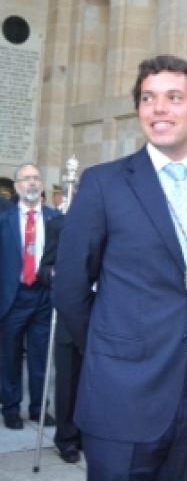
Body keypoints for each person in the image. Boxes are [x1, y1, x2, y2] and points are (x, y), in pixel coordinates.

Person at [52, 54, 187, 480]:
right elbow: (69, 287)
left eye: (173, 97)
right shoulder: (104, 184)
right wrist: (114, 349)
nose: (158, 108)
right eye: (148, 98)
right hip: (123, 394)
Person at [0, 163, 60, 429]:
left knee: (40, 356)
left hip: (44, 296)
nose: (32, 183)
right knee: (10, 356)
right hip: (12, 297)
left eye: (36, 178)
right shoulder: (4, 220)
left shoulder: (55, 219)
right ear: (17, 187)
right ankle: (10, 408)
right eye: (26, 179)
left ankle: (38, 408)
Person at [37, 214, 82, 464]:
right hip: (69, 317)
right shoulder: (60, 224)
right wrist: (54, 273)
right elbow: (43, 270)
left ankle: (90, 434)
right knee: (67, 381)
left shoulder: (119, 220)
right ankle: (66, 439)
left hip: (105, 317)